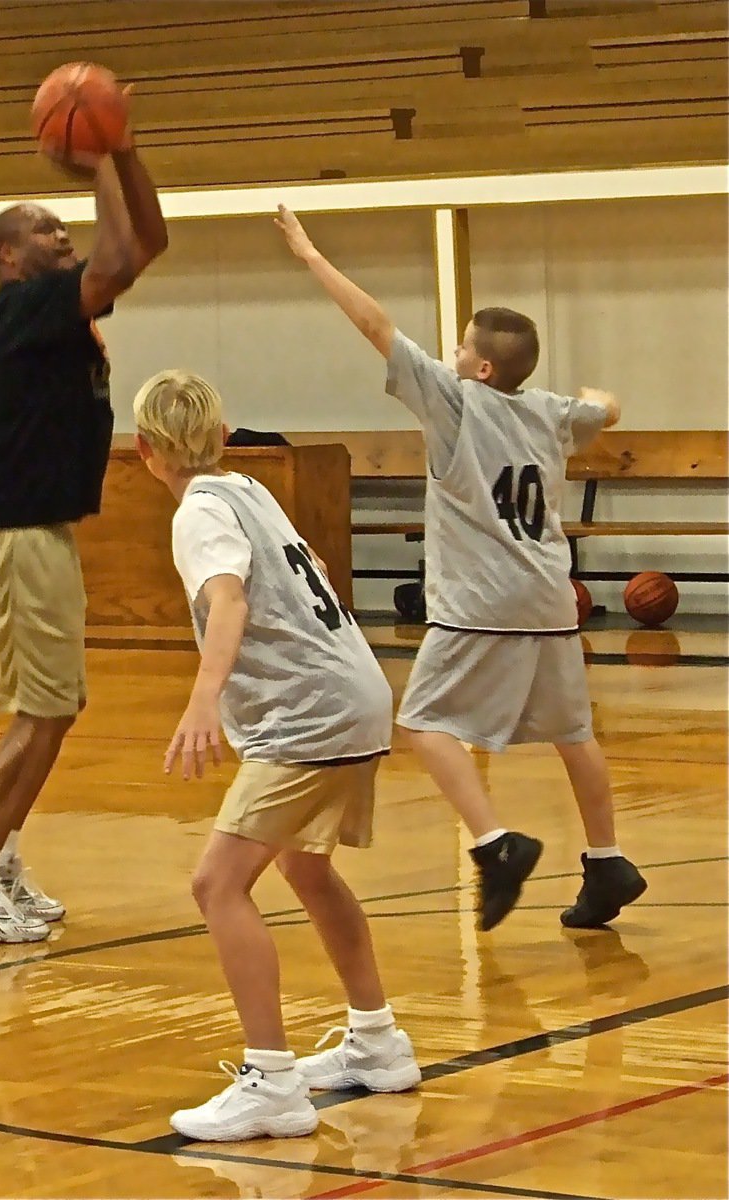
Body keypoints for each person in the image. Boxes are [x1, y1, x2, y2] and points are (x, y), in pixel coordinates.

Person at [274, 204, 647, 933]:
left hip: (481, 601)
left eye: (459, 346)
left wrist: (311, 254)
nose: (445, 352)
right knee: (576, 732)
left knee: (422, 721)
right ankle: (607, 861)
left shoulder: (453, 401)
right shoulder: (548, 410)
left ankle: (494, 844)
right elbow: (606, 408)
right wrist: (600, 400)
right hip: (548, 597)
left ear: (478, 368)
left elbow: (375, 325)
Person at [133, 370, 420, 1142]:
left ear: (144, 450)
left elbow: (230, 600)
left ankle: (271, 1081)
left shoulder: (199, 513)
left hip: (310, 714)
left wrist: (203, 698)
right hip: (357, 690)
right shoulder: (248, 490)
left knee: (217, 884)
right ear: (224, 438)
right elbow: (316, 574)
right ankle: (378, 1041)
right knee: (306, 867)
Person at [0, 98, 168, 945]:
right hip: (10, 532)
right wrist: (99, 160)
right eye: (46, 231)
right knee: (49, 709)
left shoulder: (57, 310)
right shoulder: (23, 306)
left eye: (64, 227)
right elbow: (116, 255)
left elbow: (145, 246)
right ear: (7, 255)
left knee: (50, 707)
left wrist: (126, 153)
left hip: (27, 530)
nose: (62, 238)